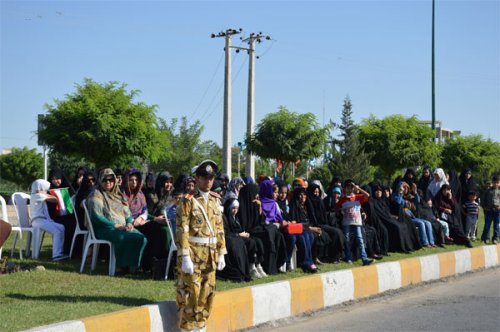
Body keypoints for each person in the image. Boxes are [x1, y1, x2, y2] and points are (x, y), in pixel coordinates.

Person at [175, 160, 227, 332]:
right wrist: (185, 257)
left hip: (210, 255)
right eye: (204, 177)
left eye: (211, 177)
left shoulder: (214, 200)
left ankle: (201, 327)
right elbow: (182, 229)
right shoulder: (187, 201)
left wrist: (221, 253)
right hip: (193, 254)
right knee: (191, 295)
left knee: (208, 294)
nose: (208, 181)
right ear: (196, 178)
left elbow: (219, 228)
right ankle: (187, 328)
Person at [86, 168, 148, 274]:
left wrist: (129, 222)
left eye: (111, 180)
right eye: (105, 180)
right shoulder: (96, 195)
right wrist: (115, 226)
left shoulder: (119, 195)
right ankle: (120, 266)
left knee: (142, 238)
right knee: (122, 237)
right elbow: (97, 217)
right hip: (104, 229)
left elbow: (127, 213)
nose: (108, 182)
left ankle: (133, 266)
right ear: (100, 181)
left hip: (122, 227)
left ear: (115, 181)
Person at [122, 168, 169, 272]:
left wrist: (141, 217)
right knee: (155, 228)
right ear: (126, 180)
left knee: (159, 228)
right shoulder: (122, 194)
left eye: (136, 180)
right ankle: (148, 264)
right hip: (127, 224)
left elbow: (145, 210)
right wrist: (133, 220)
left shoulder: (140, 194)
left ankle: (154, 264)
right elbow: (121, 212)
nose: (134, 182)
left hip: (141, 222)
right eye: (131, 180)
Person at [335, 180, 373, 266]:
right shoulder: (343, 200)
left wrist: (358, 188)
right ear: (345, 188)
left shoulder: (358, 197)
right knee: (347, 240)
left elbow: (367, 195)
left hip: (357, 222)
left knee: (360, 240)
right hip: (346, 223)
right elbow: (336, 208)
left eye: (351, 187)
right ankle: (348, 258)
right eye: (348, 187)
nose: (350, 188)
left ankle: (364, 258)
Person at [30, 179, 68, 261]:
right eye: (45, 189)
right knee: (57, 231)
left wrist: (45, 194)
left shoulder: (36, 195)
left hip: (42, 220)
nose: (46, 191)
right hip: (39, 221)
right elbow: (55, 199)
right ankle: (56, 255)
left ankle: (59, 251)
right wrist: (45, 194)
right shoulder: (37, 195)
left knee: (61, 227)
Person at [307, 182, 344, 263]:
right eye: (314, 192)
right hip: (315, 225)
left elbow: (324, 215)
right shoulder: (308, 202)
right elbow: (312, 217)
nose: (316, 194)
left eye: (317, 192)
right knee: (335, 232)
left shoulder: (320, 201)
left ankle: (335, 257)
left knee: (337, 232)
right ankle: (332, 257)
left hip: (324, 224)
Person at [392, 181, 436, 248]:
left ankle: (432, 242)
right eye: (403, 187)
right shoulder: (396, 195)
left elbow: (417, 201)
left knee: (428, 223)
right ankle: (425, 243)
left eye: (407, 187)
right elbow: (398, 202)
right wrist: (400, 192)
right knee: (421, 223)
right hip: (405, 218)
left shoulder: (408, 196)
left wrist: (415, 192)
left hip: (412, 217)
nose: (405, 189)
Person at [47, 168, 77, 255]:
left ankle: (74, 251)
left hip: (68, 215)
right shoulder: (48, 191)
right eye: (53, 179)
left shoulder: (68, 189)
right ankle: (65, 250)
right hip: (54, 217)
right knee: (67, 225)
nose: (55, 181)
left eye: (58, 178)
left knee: (73, 223)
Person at [480, 175, 500, 244]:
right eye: (495, 182)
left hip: (497, 211)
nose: (496, 184)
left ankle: (495, 238)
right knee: (487, 225)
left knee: (496, 226)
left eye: (497, 182)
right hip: (489, 211)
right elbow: (482, 200)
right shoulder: (488, 191)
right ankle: (484, 238)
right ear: (492, 182)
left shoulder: (499, 191)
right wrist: (484, 207)